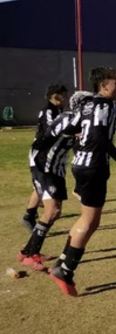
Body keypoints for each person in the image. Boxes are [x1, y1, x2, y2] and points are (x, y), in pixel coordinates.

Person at [49, 67, 116, 296]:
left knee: (86, 218)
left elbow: (68, 129)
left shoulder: (88, 104)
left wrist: (81, 141)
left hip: (81, 164)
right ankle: (66, 270)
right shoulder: (104, 105)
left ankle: (61, 261)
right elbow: (99, 137)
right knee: (90, 221)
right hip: (93, 167)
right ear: (104, 85)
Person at [17, 90, 91, 271]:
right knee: (52, 210)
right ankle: (30, 255)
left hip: (56, 167)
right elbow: (49, 134)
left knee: (55, 211)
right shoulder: (67, 118)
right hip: (43, 164)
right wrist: (72, 134)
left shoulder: (83, 122)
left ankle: (27, 250)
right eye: (91, 105)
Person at [21, 83, 68, 232]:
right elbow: (51, 130)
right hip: (41, 155)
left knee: (40, 186)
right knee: (43, 186)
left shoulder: (58, 109)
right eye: (64, 95)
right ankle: (30, 216)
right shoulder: (49, 110)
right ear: (55, 97)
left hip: (49, 155)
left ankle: (30, 214)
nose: (67, 98)